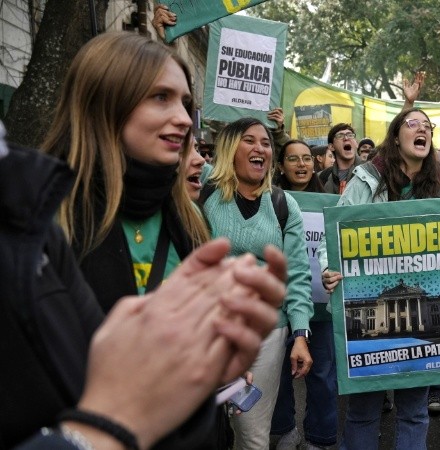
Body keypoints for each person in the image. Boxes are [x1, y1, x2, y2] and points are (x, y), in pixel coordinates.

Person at [1, 138, 286, 450]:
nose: (198, 162)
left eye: (183, 104)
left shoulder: (189, 221)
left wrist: (215, 361)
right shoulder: (58, 223)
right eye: (160, 99)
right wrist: (107, 426)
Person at [319, 108, 440, 450]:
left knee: (415, 412)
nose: (422, 129)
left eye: (427, 126)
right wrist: (329, 268)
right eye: (412, 124)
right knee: (362, 413)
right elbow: (334, 235)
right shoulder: (365, 180)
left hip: (418, 332)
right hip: (366, 332)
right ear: (394, 137)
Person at [41, 31, 209, 312]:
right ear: (107, 102)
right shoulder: (41, 215)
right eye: (160, 97)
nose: (183, 118)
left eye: (184, 102)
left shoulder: (188, 215)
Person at [202, 117, 314, 450]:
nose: (260, 148)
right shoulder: (204, 189)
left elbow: (296, 275)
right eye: (249, 140)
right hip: (207, 329)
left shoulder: (283, 205)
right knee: (199, 428)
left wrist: (300, 335)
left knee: (251, 434)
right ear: (229, 148)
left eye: (266, 143)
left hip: (266, 334)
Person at [270, 139, 337, 450]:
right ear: (280, 165)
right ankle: (284, 430)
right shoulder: (267, 201)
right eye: (293, 159)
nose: (301, 164)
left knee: (322, 373)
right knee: (279, 375)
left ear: (316, 163)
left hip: (322, 306)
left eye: (307, 158)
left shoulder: (334, 204)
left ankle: (320, 437)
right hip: (278, 305)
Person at [317, 123, 364, 194]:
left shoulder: (370, 172)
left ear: (356, 144)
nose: (346, 138)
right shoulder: (322, 177)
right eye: (340, 136)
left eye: (350, 135)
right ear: (331, 147)